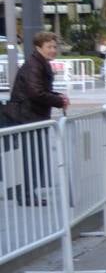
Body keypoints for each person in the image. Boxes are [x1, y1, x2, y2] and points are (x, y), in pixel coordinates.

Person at [0, 31, 69, 207]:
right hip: (27, 117)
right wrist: (58, 100)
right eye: (49, 47)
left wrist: (57, 97)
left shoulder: (38, 63)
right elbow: (35, 92)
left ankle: (27, 193)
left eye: (55, 46)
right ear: (39, 47)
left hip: (30, 116)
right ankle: (26, 194)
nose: (53, 50)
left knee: (34, 157)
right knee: (33, 157)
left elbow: (38, 90)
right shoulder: (34, 65)